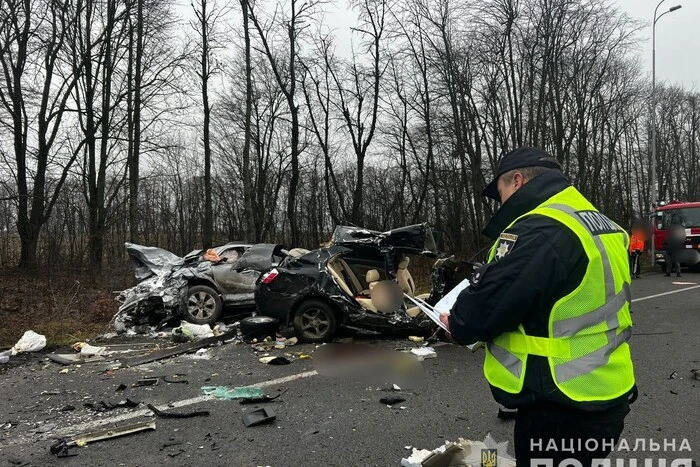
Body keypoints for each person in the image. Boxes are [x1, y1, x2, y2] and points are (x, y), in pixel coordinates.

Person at [440, 147, 636, 467]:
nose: (500, 202)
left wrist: (456, 323)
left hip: (560, 406)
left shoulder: (540, 229)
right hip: (606, 392)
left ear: (517, 181)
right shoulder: (596, 221)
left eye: (500, 192)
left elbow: (479, 314)